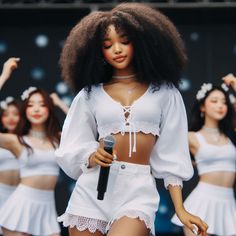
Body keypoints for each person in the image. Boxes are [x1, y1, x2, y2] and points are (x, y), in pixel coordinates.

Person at [56, 3, 208, 236]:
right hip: (91, 188)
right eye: (107, 45)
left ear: (141, 42)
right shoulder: (89, 95)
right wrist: (92, 155)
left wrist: (181, 208)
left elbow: (172, 154)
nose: (117, 49)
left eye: (124, 41)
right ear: (98, 52)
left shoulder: (165, 93)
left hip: (137, 191)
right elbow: (72, 143)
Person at [171, 83, 236, 236]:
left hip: (229, 202)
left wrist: (234, 83)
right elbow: (167, 155)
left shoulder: (231, 136)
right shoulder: (191, 137)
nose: (220, 105)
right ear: (202, 107)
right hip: (203, 201)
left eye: (224, 102)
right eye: (214, 101)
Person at [0, 87, 62, 236]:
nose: (36, 109)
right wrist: (4, 76)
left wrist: (60, 103)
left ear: (49, 108)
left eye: (42, 104)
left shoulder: (59, 139)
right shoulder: (17, 141)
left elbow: (83, 128)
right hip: (21, 205)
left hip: (48, 206)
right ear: (25, 111)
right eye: (31, 105)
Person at [0, 97, 21, 235]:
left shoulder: (30, 139)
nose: (11, 118)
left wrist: (59, 104)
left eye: (15, 113)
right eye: (6, 114)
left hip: (21, 195)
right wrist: (4, 76)